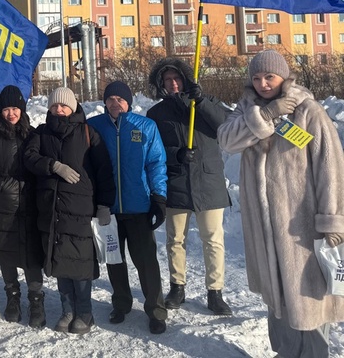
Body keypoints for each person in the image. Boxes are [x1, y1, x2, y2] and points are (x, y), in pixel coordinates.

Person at [218, 49, 344, 358]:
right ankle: (286, 353)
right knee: (278, 298)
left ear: (284, 76)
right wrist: (269, 113)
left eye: (269, 77)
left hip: (301, 227)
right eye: (257, 78)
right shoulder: (247, 109)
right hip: (265, 228)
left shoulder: (308, 111)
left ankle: (315, 354)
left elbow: (330, 167)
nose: (263, 83)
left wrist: (331, 219)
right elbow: (227, 140)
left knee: (309, 298)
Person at [25, 87, 116, 335]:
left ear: (73, 107)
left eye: (64, 106)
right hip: (51, 207)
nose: (59, 110)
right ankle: (67, 311)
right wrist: (53, 165)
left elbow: (104, 171)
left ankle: (85, 312)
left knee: (80, 263)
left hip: (80, 208)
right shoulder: (42, 133)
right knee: (59, 261)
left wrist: (105, 204)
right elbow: (29, 158)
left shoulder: (88, 133)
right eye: (55, 106)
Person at [146, 58, 233, 316]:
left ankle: (215, 293)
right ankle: (177, 287)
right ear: (161, 85)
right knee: (175, 240)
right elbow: (154, 150)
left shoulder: (210, 102)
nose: (173, 84)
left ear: (186, 79)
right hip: (177, 184)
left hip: (208, 182)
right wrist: (176, 154)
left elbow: (226, 127)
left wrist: (202, 101)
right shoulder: (156, 114)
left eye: (177, 79)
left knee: (213, 240)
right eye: (167, 80)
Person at [87, 81, 169, 334]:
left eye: (120, 99)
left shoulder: (145, 127)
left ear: (129, 103)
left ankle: (156, 310)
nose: (115, 103)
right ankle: (121, 303)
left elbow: (156, 163)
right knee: (114, 259)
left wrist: (159, 197)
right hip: (108, 209)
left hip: (139, 206)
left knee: (146, 261)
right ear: (104, 103)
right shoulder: (94, 127)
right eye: (110, 99)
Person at [0, 85, 45, 327]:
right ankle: (12, 297)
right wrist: (3, 185)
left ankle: (36, 299)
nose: (11, 113)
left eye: (15, 108)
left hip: (29, 205)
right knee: (6, 253)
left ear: (22, 110)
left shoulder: (33, 135)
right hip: (1, 206)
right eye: (6, 109)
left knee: (32, 255)